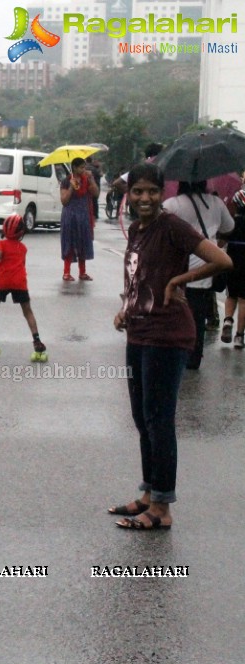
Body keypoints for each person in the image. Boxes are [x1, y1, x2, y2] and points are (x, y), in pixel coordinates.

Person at [109, 163, 231, 530]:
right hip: (139, 333)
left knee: (159, 422)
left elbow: (221, 259)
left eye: (152, 192)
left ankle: (162, 509)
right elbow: (137, 275)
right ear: (129, 196)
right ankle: (148, 494)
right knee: (143, 419)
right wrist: (125, 308)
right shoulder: (136, 229)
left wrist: (181, 278)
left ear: (163, 194)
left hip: (169, 336)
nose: (145, 198)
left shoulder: (172, 226)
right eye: (138, 192)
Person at [162, 180, 234, 369]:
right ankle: (193, 358)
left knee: (174, 314)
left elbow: (159, 230)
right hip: (206, 270)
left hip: (178, 269)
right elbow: (229, 228)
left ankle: (173, 353)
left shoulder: (172, 204)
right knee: (198, 316)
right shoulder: (216, 203)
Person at [0, 214, 47, 360]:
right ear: (21, 232)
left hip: (3, 281)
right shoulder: (23, 248)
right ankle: (37, 340)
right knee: (27, 310)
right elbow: (23, 264)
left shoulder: (1, 244)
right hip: (19, 282)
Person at [59, 157, 98, 281]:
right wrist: (71, 187)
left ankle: (82, 272)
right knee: (69, 243)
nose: (84, 170)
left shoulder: (87, 180)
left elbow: (96, 193)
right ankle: (66, 272)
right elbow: (64, 201)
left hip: (83, 215)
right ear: (75, 168)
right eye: (81, 167)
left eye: (84, 167)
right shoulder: (66, 181)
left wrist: (91, 180)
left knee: (83, 242)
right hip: (70, 215)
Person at [218, 188, 245, 349]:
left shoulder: (232, 222)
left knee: (231, 295)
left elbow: (220, 244)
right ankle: (239, 336)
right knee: (243, 300)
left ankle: (228, 320)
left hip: (232, 261)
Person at [87, 155, 103, 220]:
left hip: (87, 187)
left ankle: (89, 213)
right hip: (96, 186)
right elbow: (101, 174)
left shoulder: (84, 168)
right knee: (95, 201)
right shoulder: (95, 169)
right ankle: (95, 214)